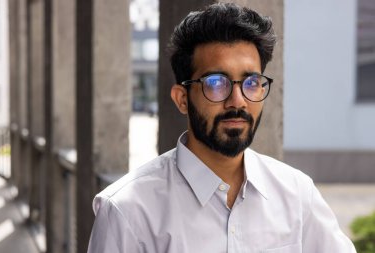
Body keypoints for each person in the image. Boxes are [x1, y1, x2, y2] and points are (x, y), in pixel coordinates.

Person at [87, 3, 357, 253]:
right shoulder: (127, 211)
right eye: (216, 83)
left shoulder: (296, 195)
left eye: (251, 82)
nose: (237, 101)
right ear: (182, 99)